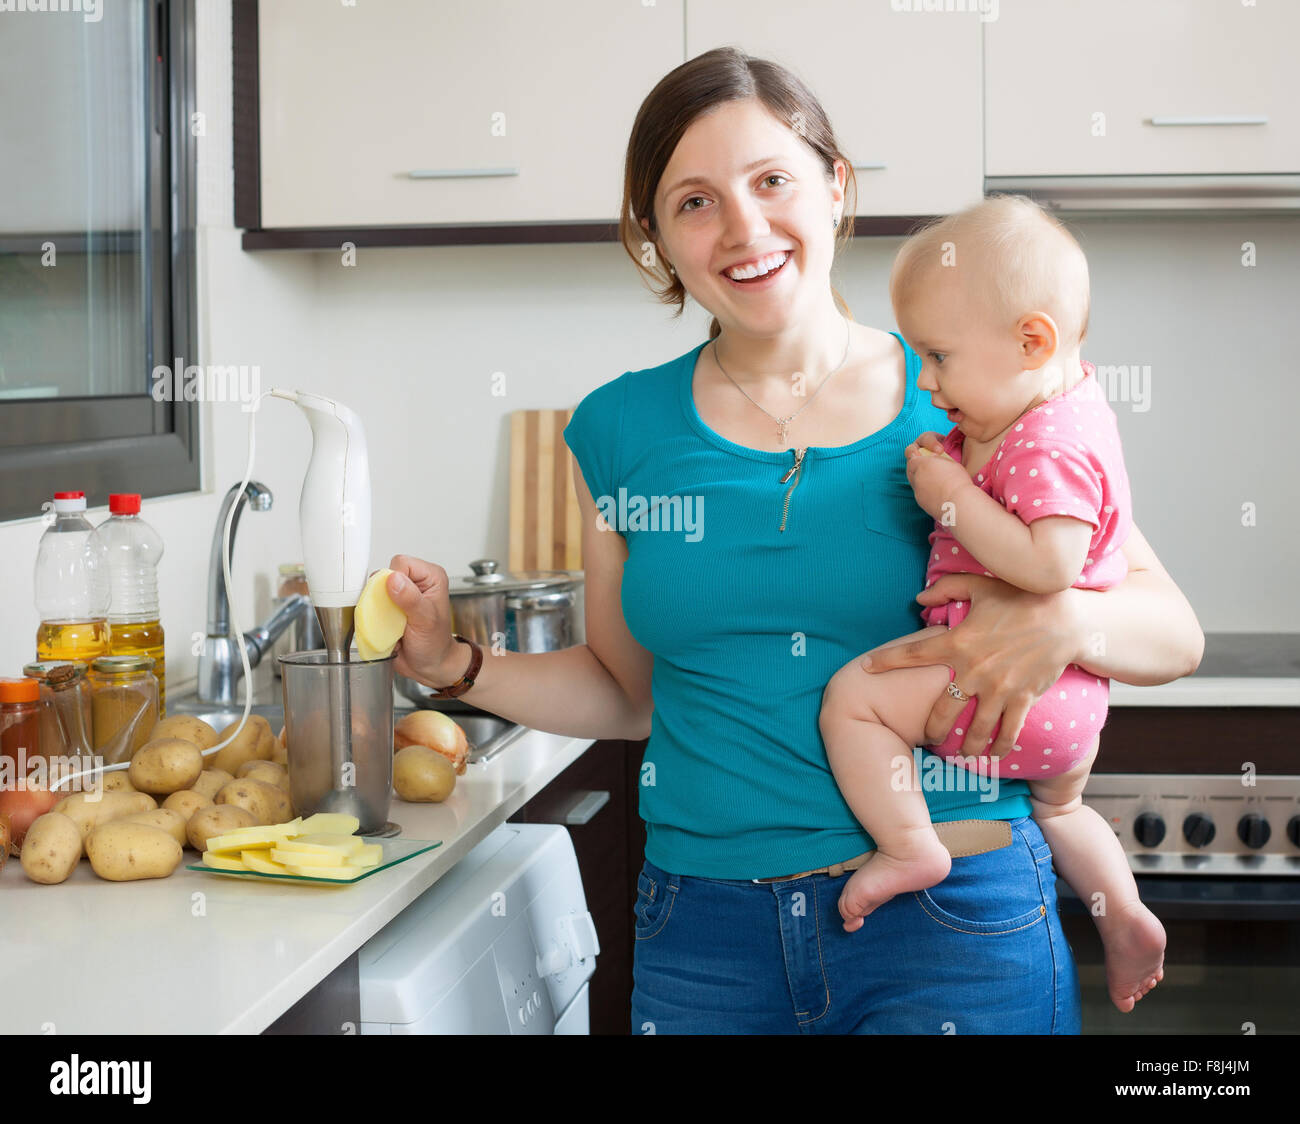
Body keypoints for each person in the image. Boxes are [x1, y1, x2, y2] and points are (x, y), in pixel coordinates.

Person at [383, 47, 1203, 1034]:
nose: (743, 227)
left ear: (834, 185)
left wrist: (1065, 619)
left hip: (952, 925)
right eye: (694, 201)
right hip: (705, 936)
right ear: (656, 239)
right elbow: (624, 691)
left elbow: (1171, 633)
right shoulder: (617, 431)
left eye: (771, 180)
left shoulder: (963, 393)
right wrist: (449, 661)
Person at [818, 194, 1166, 1014]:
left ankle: (910, 848)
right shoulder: (1060, 404)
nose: (927, 382)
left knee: (853, 702)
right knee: (1065, 807)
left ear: (1031, 340)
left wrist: (947, 495)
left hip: (1016, 695)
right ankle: (1125, 916)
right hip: (1072, 710)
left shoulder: (1046, 440)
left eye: (938, 358)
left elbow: (1051, 564)